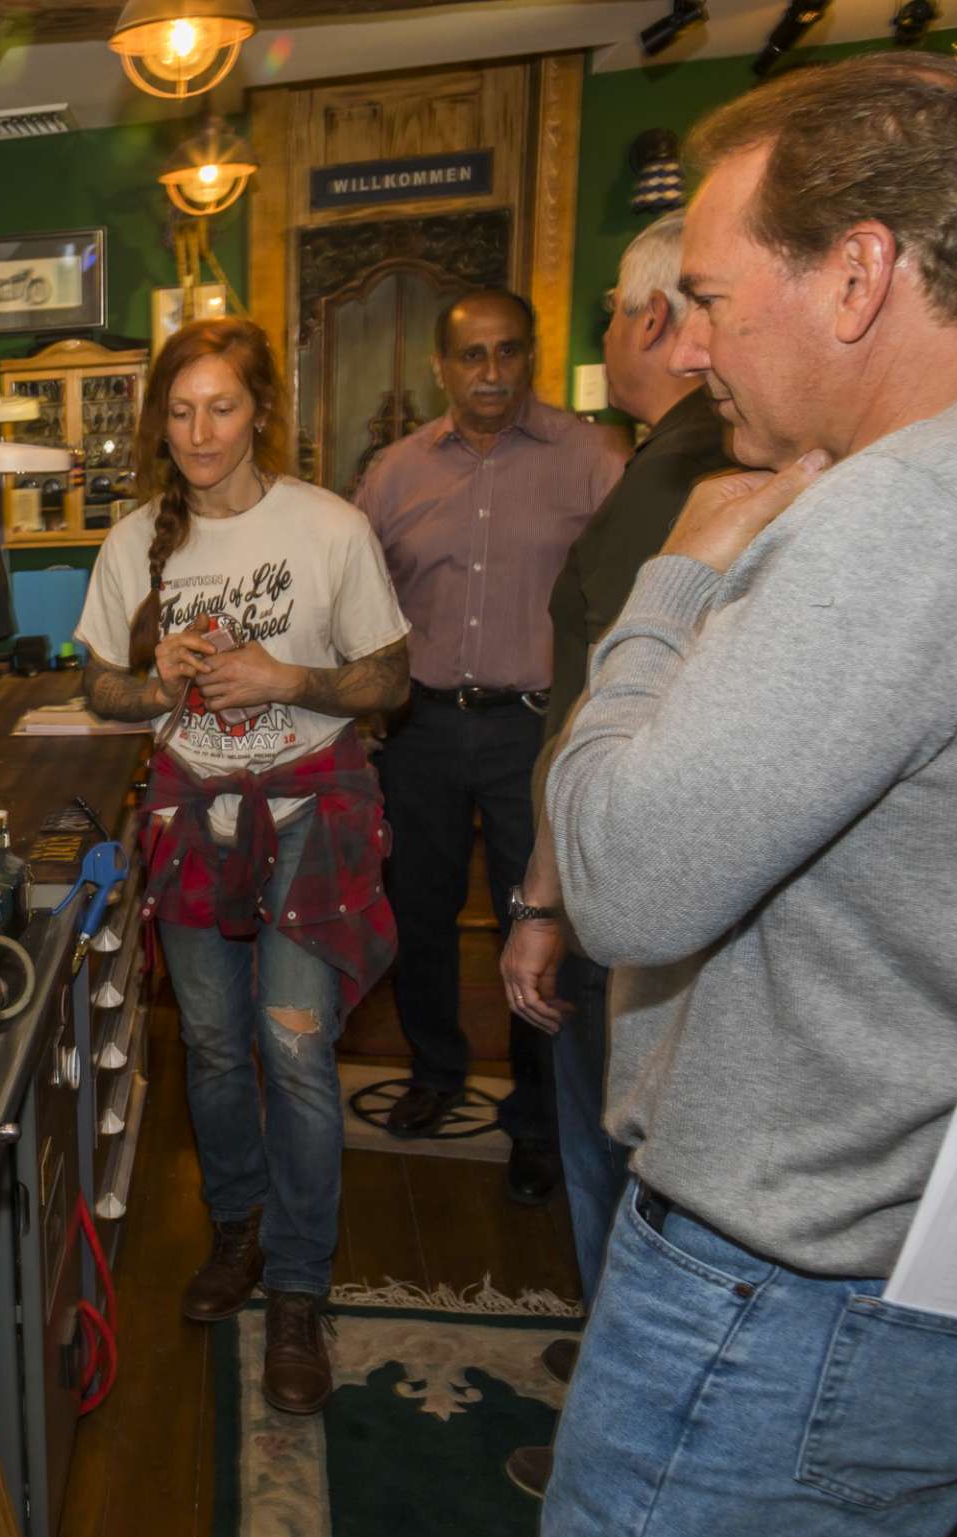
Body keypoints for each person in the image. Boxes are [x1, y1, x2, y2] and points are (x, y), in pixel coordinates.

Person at [533, 55, 957, 1537]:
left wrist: (673, 584)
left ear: (859, 275)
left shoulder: (910, 511)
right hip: (941, 1241)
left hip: (792, 1280)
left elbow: (625, 876)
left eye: (713, 300)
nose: (687, 348)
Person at [74, 318, 409, 1415]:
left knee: (295, 1050)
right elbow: (99, 689)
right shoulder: (137, 541)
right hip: (191, 817)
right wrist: (157, 679)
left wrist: (285, 677)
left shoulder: (330, 527)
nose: (200, 432)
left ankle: (300, 1287)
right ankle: (239, 1229)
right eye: (180, 412)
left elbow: (390, 680)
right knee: (215, 1047)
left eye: (221, 407)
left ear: (261, 410)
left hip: (313, 814)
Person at [494, 212, 734, 1501]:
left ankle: (624, 1418)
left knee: (620, 1149)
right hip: (621, 852)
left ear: (655, 319)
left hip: (613, 865)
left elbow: (611, 698)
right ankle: (610, 1357)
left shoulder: (688, 471)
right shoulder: (677, 460)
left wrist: (542, 896)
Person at [353, 288, 626, 1204]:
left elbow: (627, 597)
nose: (491, 372)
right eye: (472, 355)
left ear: (532, 355)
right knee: (418, 910)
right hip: (421, 727)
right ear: (442, 367)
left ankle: (538, 1117)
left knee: (536, 920)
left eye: (509, 351)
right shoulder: (394, 473)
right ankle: (435, 1070)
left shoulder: (591, 459)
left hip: (536, 731)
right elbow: (356, 595)